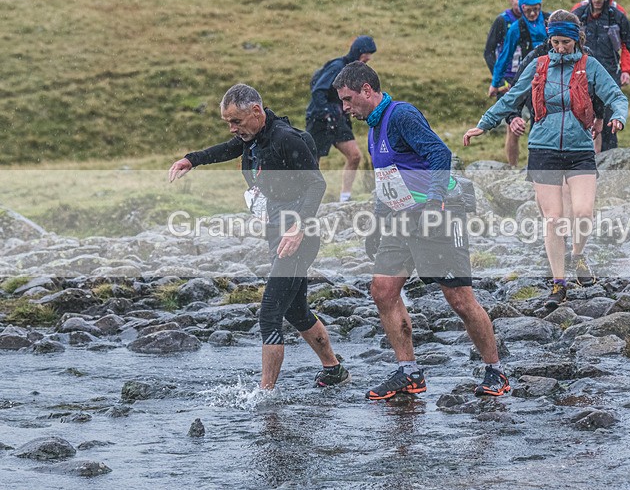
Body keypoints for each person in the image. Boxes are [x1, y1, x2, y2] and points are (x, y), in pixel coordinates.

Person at [332, 61, 510, 400]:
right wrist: (378, 222)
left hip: (438, 214)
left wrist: (433, 202)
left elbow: (440, 154)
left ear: (368, 91)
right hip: (402, 219)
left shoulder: (401, 115)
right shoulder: (374, 126)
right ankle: (409, 372)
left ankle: (495, 371)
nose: (345, 108)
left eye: (349, 99)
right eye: (343, 101)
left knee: (459, 299)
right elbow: (390, 180)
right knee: (382, 290)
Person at [168, 83, 349, 390]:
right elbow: (228, 149)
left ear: (256, 111)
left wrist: (299, 226)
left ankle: (265, 396)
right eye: (228, 122)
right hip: (278, 234)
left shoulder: (285, 138)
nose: (232, 128)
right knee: (295, 309)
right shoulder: (254, 138)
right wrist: (192, 159)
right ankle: (333, 369)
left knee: (270, 312)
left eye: (235, 121)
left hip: (299, 236)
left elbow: (316, 185)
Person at [464, 10, 628, 310]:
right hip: (543, 149)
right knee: (553, 219)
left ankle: (577, 255)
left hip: (580, 149)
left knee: (583, 212)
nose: (560, 48)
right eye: (555, 41)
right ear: (549, 39)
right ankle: (558, 283)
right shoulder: (539, 65)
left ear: (576, 39)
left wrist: (618, 117)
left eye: (566, 42)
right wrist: (484, 124)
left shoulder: (589, 66)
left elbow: (617, 97)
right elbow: (512, 97)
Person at [572, 0, 630, 151]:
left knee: (608, 124)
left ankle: (610, 163)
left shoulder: (618, 17)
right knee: (579, 122)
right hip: (581, 76)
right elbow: (558, 40)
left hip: (609, 77)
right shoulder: (578, 15)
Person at [305, 35, 377, 202]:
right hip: (319, 119)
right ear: (358, 52)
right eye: (366, 55)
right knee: (312, 161)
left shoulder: (353, 72)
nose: (368, 59)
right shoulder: (337, 66)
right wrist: (326, 110)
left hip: (338, 119)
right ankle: (308, 199)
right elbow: (318, 91)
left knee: (355, 156)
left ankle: (345, 198)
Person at [489, 0, 550, 168]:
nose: (532, 14)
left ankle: (539, 167)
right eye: (528, 10)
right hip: (524, 81)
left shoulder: (550, 21)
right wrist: (495, 82)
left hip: (550, 81)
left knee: (542, 127)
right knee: (514, 127)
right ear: (521, 8)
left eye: (536, 10)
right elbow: (504, 56)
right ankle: (513, 168)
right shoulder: (516, 28)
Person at [483, 0, 526, 168]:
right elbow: (489, 51)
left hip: (531, 79)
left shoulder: (535, 21)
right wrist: (498, 78)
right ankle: (513, 168)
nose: (520, 2)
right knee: (513, 127)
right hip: (508, 82)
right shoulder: (503, 21)